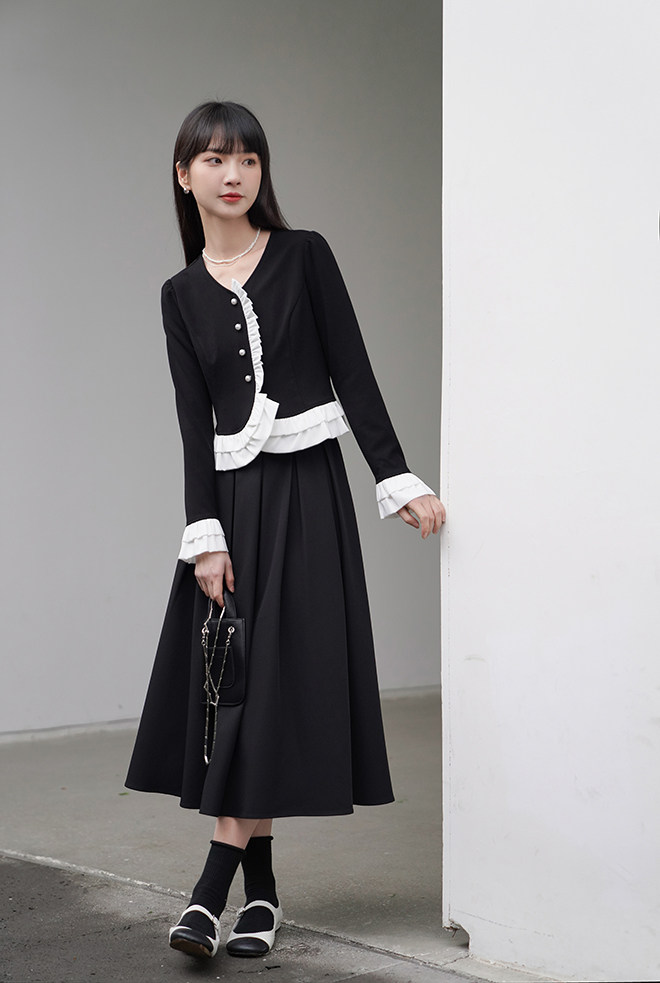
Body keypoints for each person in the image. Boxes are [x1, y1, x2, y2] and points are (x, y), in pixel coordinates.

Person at [125, 100, 446, 961]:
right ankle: (260, 892)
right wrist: (204, 534)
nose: (234, 174)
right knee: (238, 693)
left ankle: (210, 892)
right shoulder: (179, 295)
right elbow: (193, 425)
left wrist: (397, 478)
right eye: (215, 159)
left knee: (268, 689)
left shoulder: (306, 255)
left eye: (249, 159)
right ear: (184, 175)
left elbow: (354, 371)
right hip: (232, 510)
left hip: (308, 497)